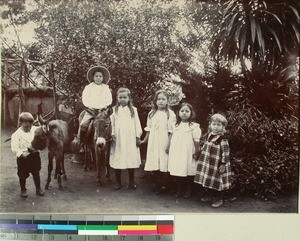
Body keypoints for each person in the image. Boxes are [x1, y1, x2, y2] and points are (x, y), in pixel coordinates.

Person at [140, 90, 176, 194]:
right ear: (155, 101)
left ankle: (164, 185)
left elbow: (171, 131)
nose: (161, 101)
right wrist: (144, 141)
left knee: (163, 161)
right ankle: (157, 184)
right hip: (153, 141)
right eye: (158, 99)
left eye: (163, 99)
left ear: (167, 101)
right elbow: (149, 129)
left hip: (164, 140)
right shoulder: (151, 113)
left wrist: (169, 145)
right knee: (154, 161)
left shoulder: (170, 114)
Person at [194, 113, 232, 208]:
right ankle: (210, 196)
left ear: (223, 127)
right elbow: (206, 146)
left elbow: (226, 153)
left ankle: (218, 199)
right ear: (210, 125)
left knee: (217, 181)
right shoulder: (210, 135)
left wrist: (223, 164)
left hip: (217, 163)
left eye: (219, 125)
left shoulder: (223, 139)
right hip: (208, 162)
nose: (216, 127)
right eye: (214, 124)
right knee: (208, 179)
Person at [110, 88, 142, 190]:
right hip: (118, 138)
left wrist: (138, 136)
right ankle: (118, 182)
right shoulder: (114, 110)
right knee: (117, 157)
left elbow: (137, 124)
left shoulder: (134, 110)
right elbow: (112, 124)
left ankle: (131, 181)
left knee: (130, 158)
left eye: (125, 97)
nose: (122, 99)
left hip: (130, 138)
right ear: (117, 98)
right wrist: (112, 134)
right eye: (120, 97)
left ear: (129, 98)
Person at [168, 103, 201, 199]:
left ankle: (188, 189)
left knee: (187, 170)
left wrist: (197, 151)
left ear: (191, 113)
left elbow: (196, 140)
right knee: (178, 169)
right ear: (178, 113)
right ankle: (179, 189)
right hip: (177, 151)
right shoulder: (175, 125)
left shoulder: (194, 126)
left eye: (187, 111)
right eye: (182, 111)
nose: (184, 113)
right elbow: (171, 137)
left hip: (187, 152)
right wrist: (168, 147)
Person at [76, 66, 112, 151]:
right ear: (93, 77)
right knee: (83, 125)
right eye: (96, 76)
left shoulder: (106, 88)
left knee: (109, 124)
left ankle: (110, 141)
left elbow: (109, 100)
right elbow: (85, 99)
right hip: (91, 111)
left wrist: (104, 107)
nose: (98, 78)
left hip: (102, 111)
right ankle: (82, 144)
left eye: (100, 76)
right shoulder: (88, 87)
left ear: (103, 78)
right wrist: (90, 107)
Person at [11, 112, 44, 198]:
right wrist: (21, 154)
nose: (27, 125)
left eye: (30, 123)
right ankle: (23, 189)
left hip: (34, 155)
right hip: (23, 157)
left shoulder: (34, 130)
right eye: (25, 123)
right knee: (22, 174)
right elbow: (14, 148)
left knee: (36, 173)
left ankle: (38, 188)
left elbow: (43, 130)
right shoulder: (16, 134)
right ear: (20, 123)